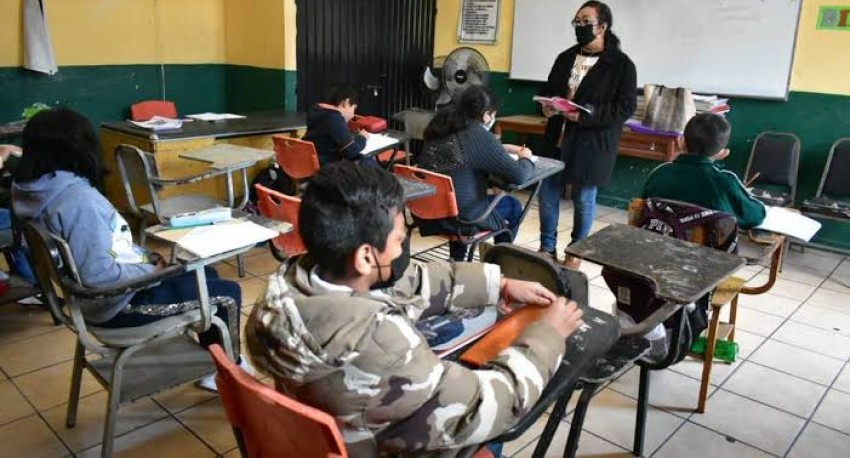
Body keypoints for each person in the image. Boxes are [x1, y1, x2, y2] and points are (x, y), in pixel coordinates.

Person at [246, 163, 584, 458]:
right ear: (365, 257)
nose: (403, 247)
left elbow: (409, 282)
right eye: (398, 239)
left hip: (327, 435)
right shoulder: (386, 347)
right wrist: (547, 336)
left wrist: (499, 284)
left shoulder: (290, 288)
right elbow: (490, 404)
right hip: (382, 446)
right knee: (495, 435)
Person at [12, 108, 246, 390]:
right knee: (227, 294)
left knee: (208, 275)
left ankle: (213, 361)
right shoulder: (78, 202)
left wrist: (146, 259)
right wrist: (153, 270)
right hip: (116, 306)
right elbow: (100, 276)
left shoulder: (34, 190)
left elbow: (105, 248)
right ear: (79, 149)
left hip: (95, 299)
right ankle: (230, 374)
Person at [537, 0, 637, 268]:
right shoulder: (566, 57)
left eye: (586, 21)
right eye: (577, 22)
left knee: (583, 199)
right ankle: (546, 248)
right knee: (547, 194)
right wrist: (547, 108)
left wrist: (584, 115)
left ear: (602, 26)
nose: (580, 26)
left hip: (592, 142)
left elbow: (625, 107)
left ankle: (577, 252)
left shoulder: (621, 65)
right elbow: (550, 91)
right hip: (557, 137)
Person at [417, 85, 535, 260]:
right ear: (487, 114)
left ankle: (457, 259)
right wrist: (526, 158)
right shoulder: (477, 133)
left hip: (428, 213)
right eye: (493, 114)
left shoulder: (443, 122)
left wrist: (500, 148)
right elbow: (519, 175)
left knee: (456, 195)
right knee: (513, 206)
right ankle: (501, 263)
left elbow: (461, 153)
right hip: (460, 219)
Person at [642, 114, 766, 228]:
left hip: (657, 244)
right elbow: (755, 216)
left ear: (680, 141)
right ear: (722, 153)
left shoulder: (659, 173)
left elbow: (643, 205)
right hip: (705, 251)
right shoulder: (725, 182)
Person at [303, 84, 372, 165]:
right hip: (326, 166)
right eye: (354, 109)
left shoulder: (316, 110)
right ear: (345, 103)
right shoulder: (334, 118)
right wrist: (362, 137)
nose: (353, 115)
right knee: (365, 161)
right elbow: (351, 151)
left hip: (309, 161)